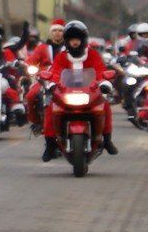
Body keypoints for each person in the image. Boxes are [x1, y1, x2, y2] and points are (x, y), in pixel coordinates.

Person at [41, 20, 116, 160]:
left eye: (77, 39)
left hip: (90, 92)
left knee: (105, 105)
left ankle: (107, 139)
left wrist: (104, 82)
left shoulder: (93, 55)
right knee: (51, 108)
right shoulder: (61, 56)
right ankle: (50, 144)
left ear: (83, 40)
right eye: (71, 39)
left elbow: (100, 71)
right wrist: (51, 84)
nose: (75, 42)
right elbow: (55, 72)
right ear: (67, 41)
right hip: (66, 93)